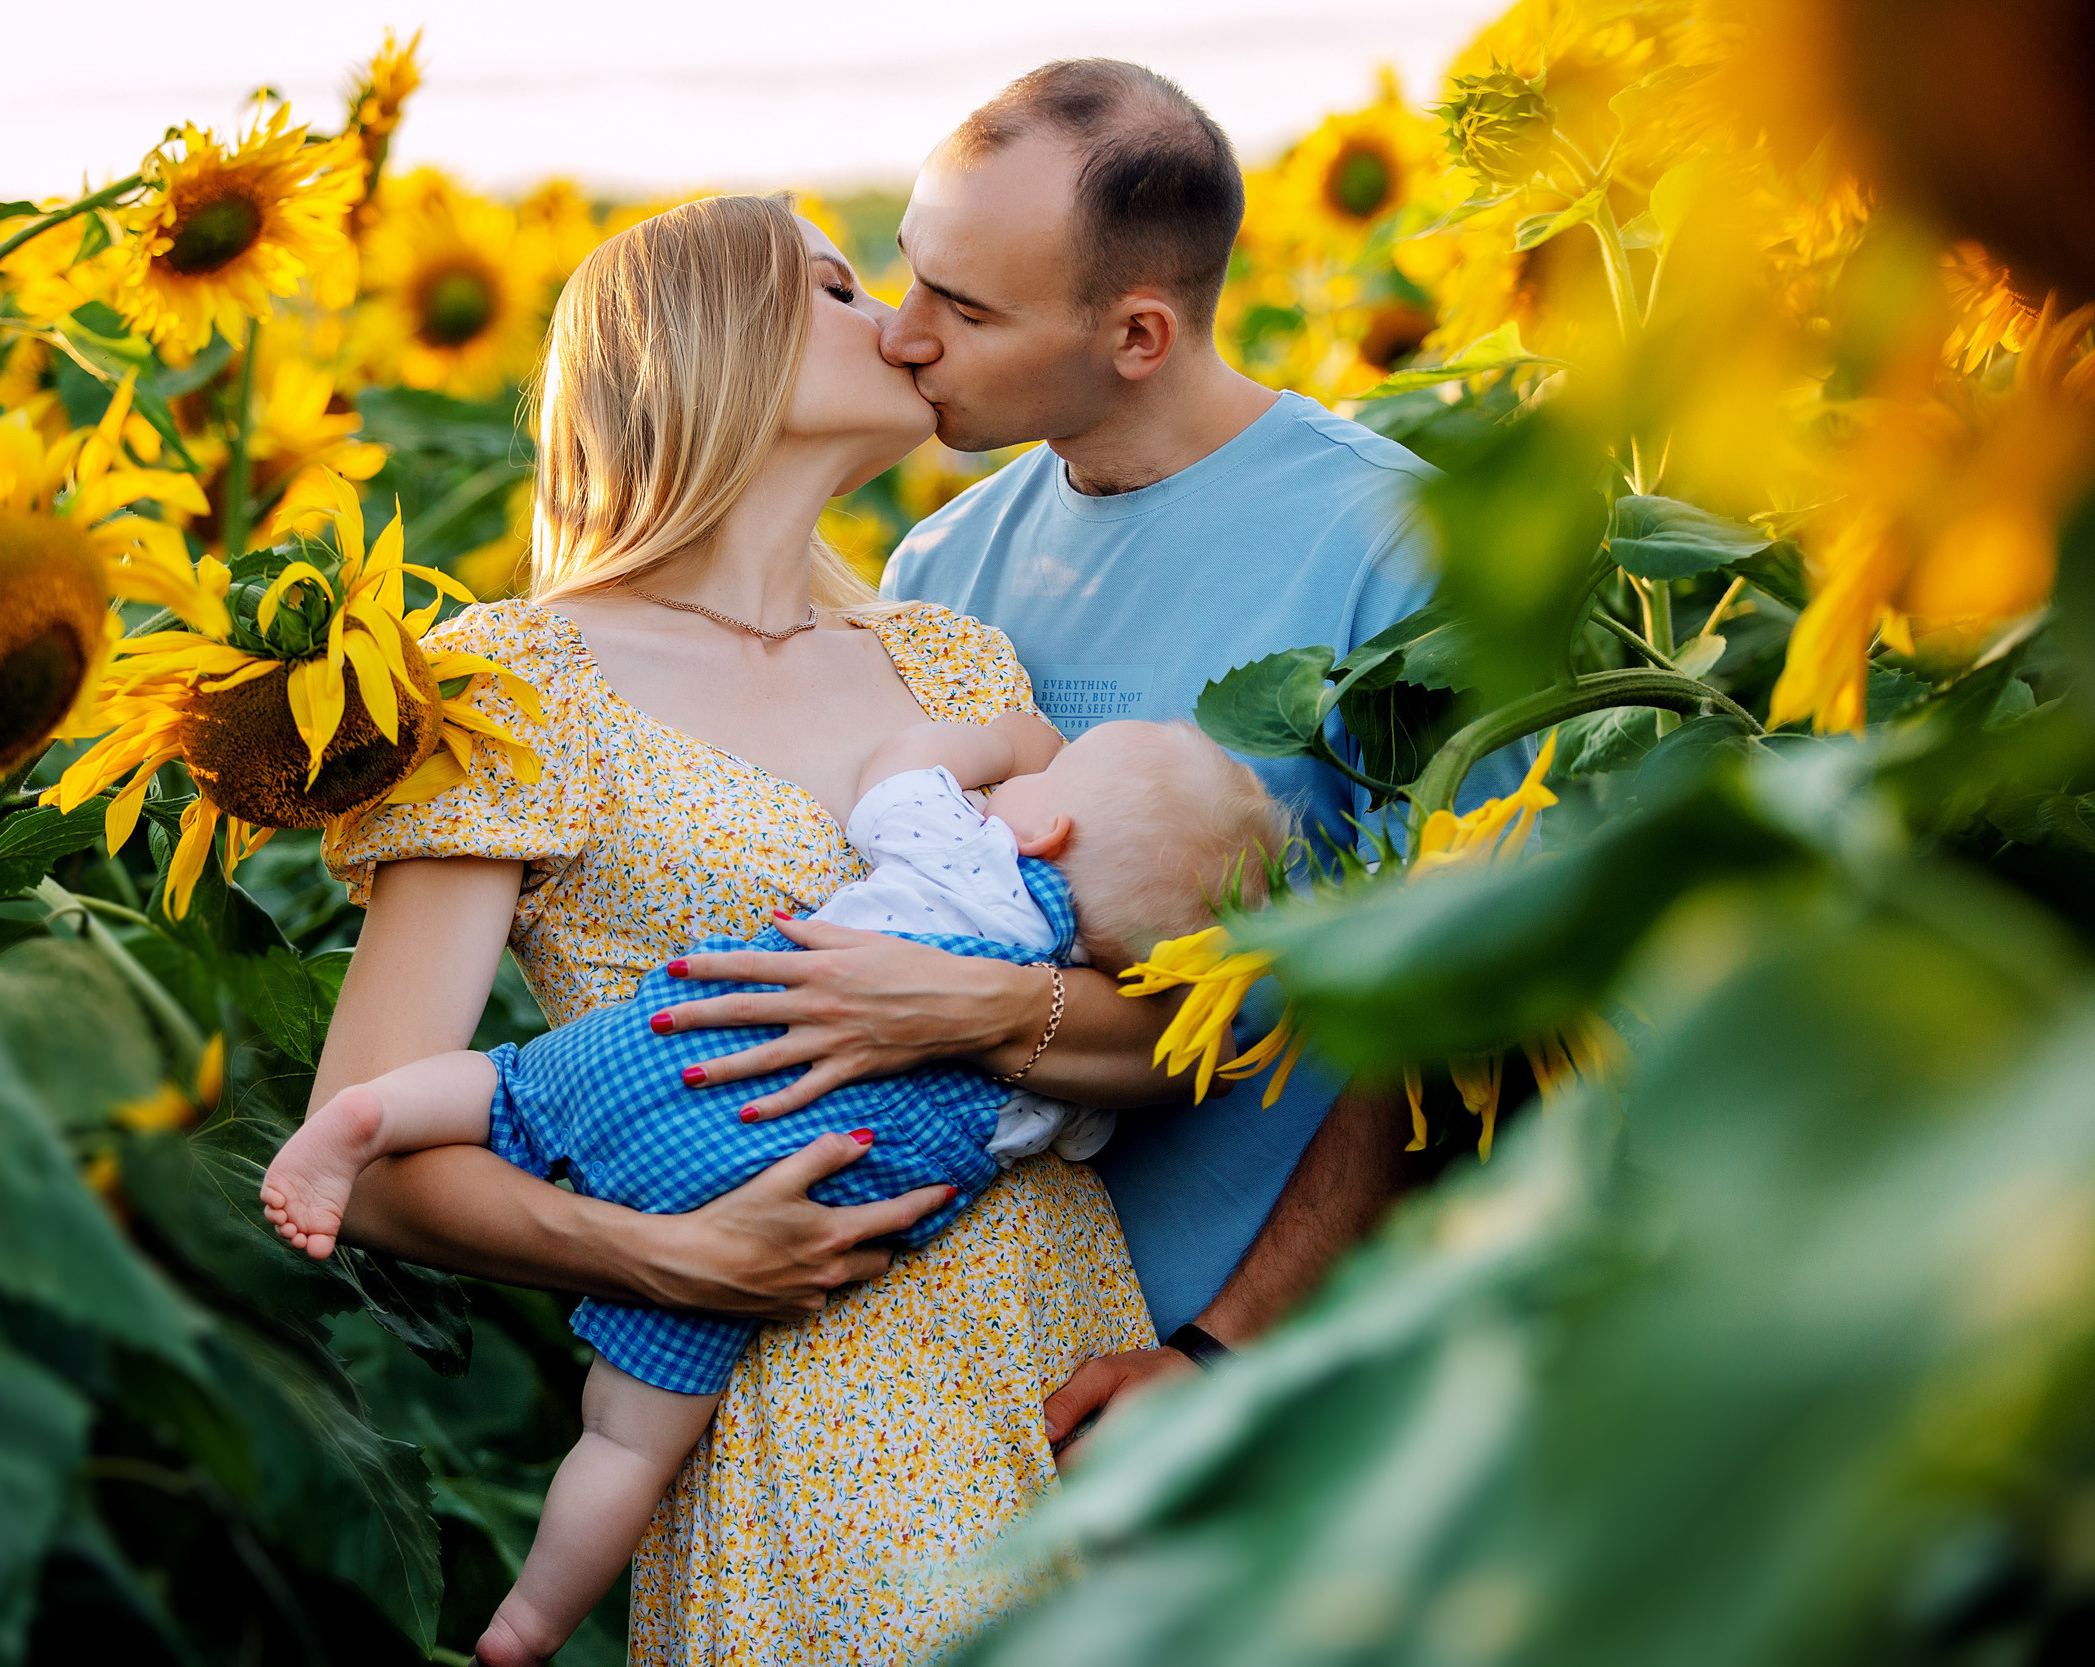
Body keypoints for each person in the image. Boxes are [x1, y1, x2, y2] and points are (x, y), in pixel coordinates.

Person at [319, 193, 1178, 1665]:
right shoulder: (515, 677)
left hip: (1066, 1356)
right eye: (842, 289)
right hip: (793, 1399)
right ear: (710, 337)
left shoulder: (954, 659)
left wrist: (973, 1016)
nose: (905, 326)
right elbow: (370, 1152)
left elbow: (1159, 1032)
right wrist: (668, 1261)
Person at [269, 714, 1280, 1662]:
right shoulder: (1045, 1094)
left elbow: (895, 774)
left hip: (674, 1052)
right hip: (757, 1220)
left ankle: (375, 1117)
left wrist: (1006, 740)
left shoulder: (952, 843)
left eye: (1034, 779)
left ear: (1043, 819)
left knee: (515, 1086)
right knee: (626, 1441)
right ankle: (531, 1623)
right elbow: (1096, 1110)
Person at [860, 59, 1539, 1441]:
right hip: (971, 1370)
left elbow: (1452, 1012)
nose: (903, 334)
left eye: (966, 307)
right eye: (911, 275)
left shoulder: (1399, 550)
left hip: (1287, 1385)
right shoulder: (941, 557)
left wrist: (1222, 1351)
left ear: (1140, 335)